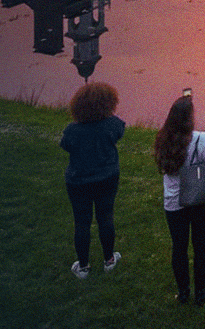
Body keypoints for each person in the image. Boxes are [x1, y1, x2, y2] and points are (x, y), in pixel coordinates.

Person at [155, 93, 205, 306]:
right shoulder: (200, 140)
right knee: (200, 244)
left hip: (173, 203)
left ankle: (183, 292)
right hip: (199, 201)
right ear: (190, 118)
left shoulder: (163, 140)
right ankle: (201, 293)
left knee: (179, 247)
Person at [60, 81, 125, 279]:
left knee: (82, 222)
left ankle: (83, 266)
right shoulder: (112, 124)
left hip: (78, 181)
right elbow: (120, 131)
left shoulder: (72, 130)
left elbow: (65, 146)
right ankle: (109, 260)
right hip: (107, 177)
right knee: (105, 216)